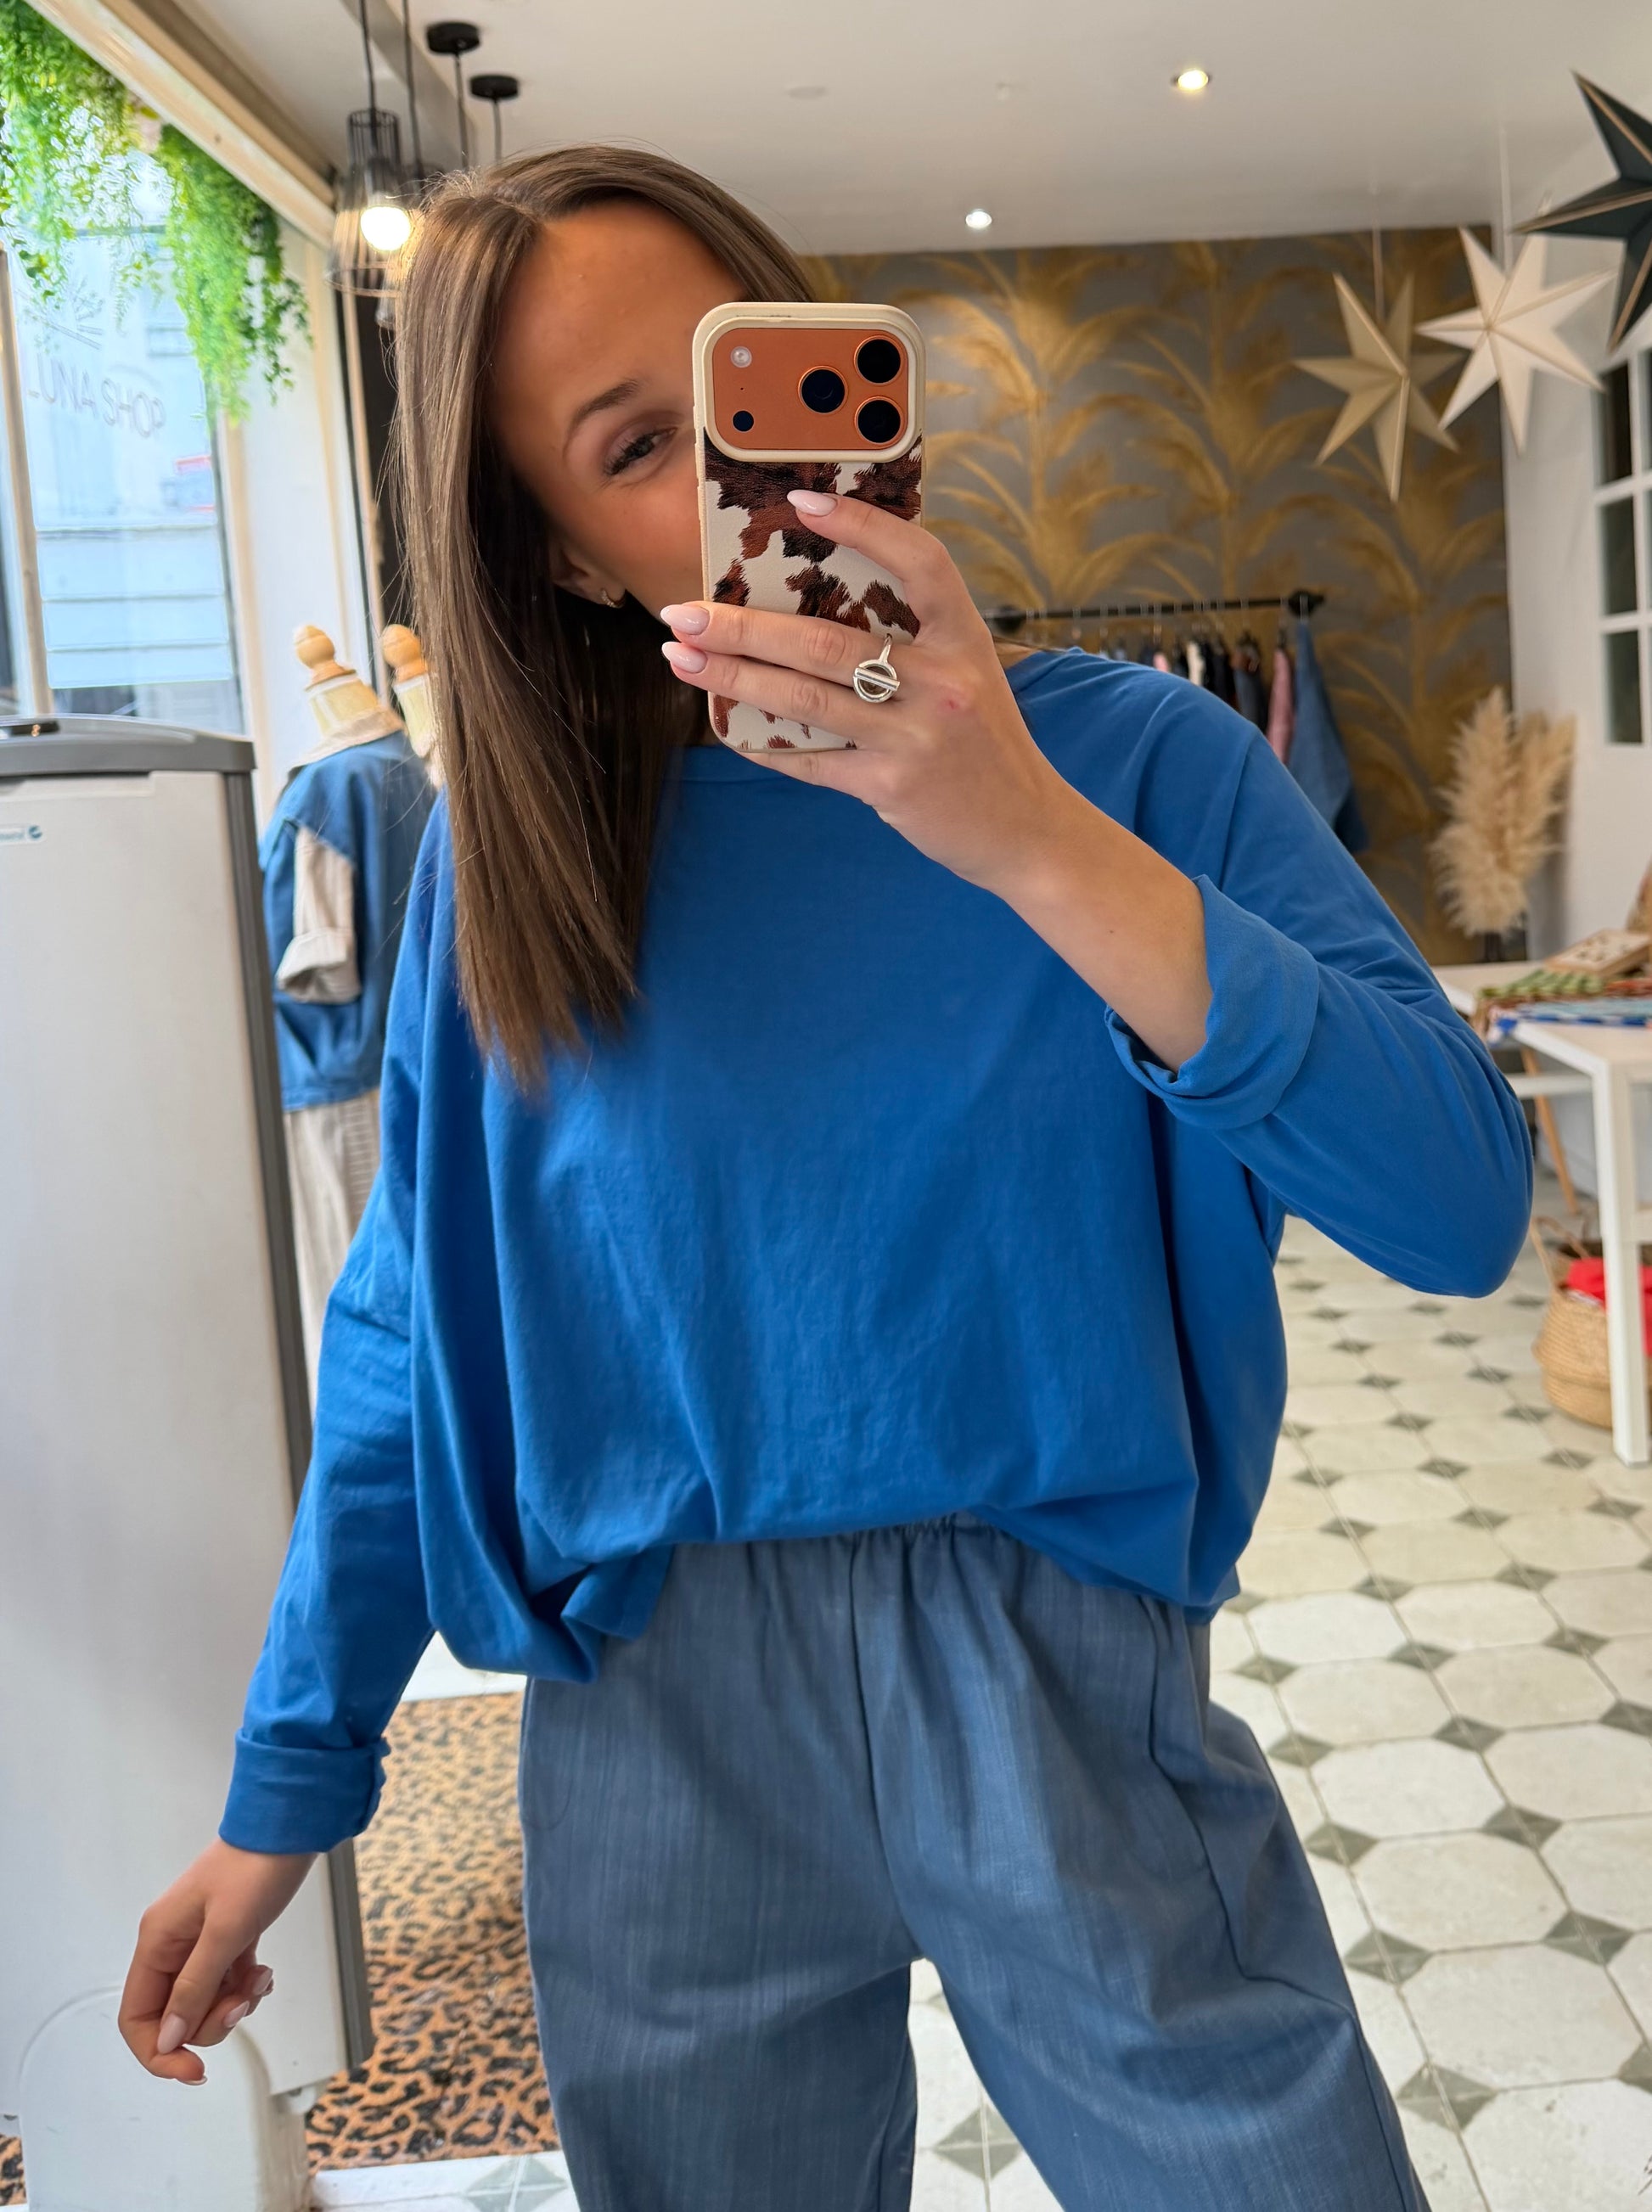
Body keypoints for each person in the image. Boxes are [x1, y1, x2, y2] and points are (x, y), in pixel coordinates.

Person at [118, 145, 1530, 2211]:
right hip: (657, 1714)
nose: (750, 476)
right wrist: (290, 1777)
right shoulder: (517, 874)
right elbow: (414, 1328)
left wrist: (1027, 834)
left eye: (753, 378)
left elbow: (1462, 1201)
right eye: (636, 447)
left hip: (1056, 1659)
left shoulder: (1141, 767)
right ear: (566, 557)